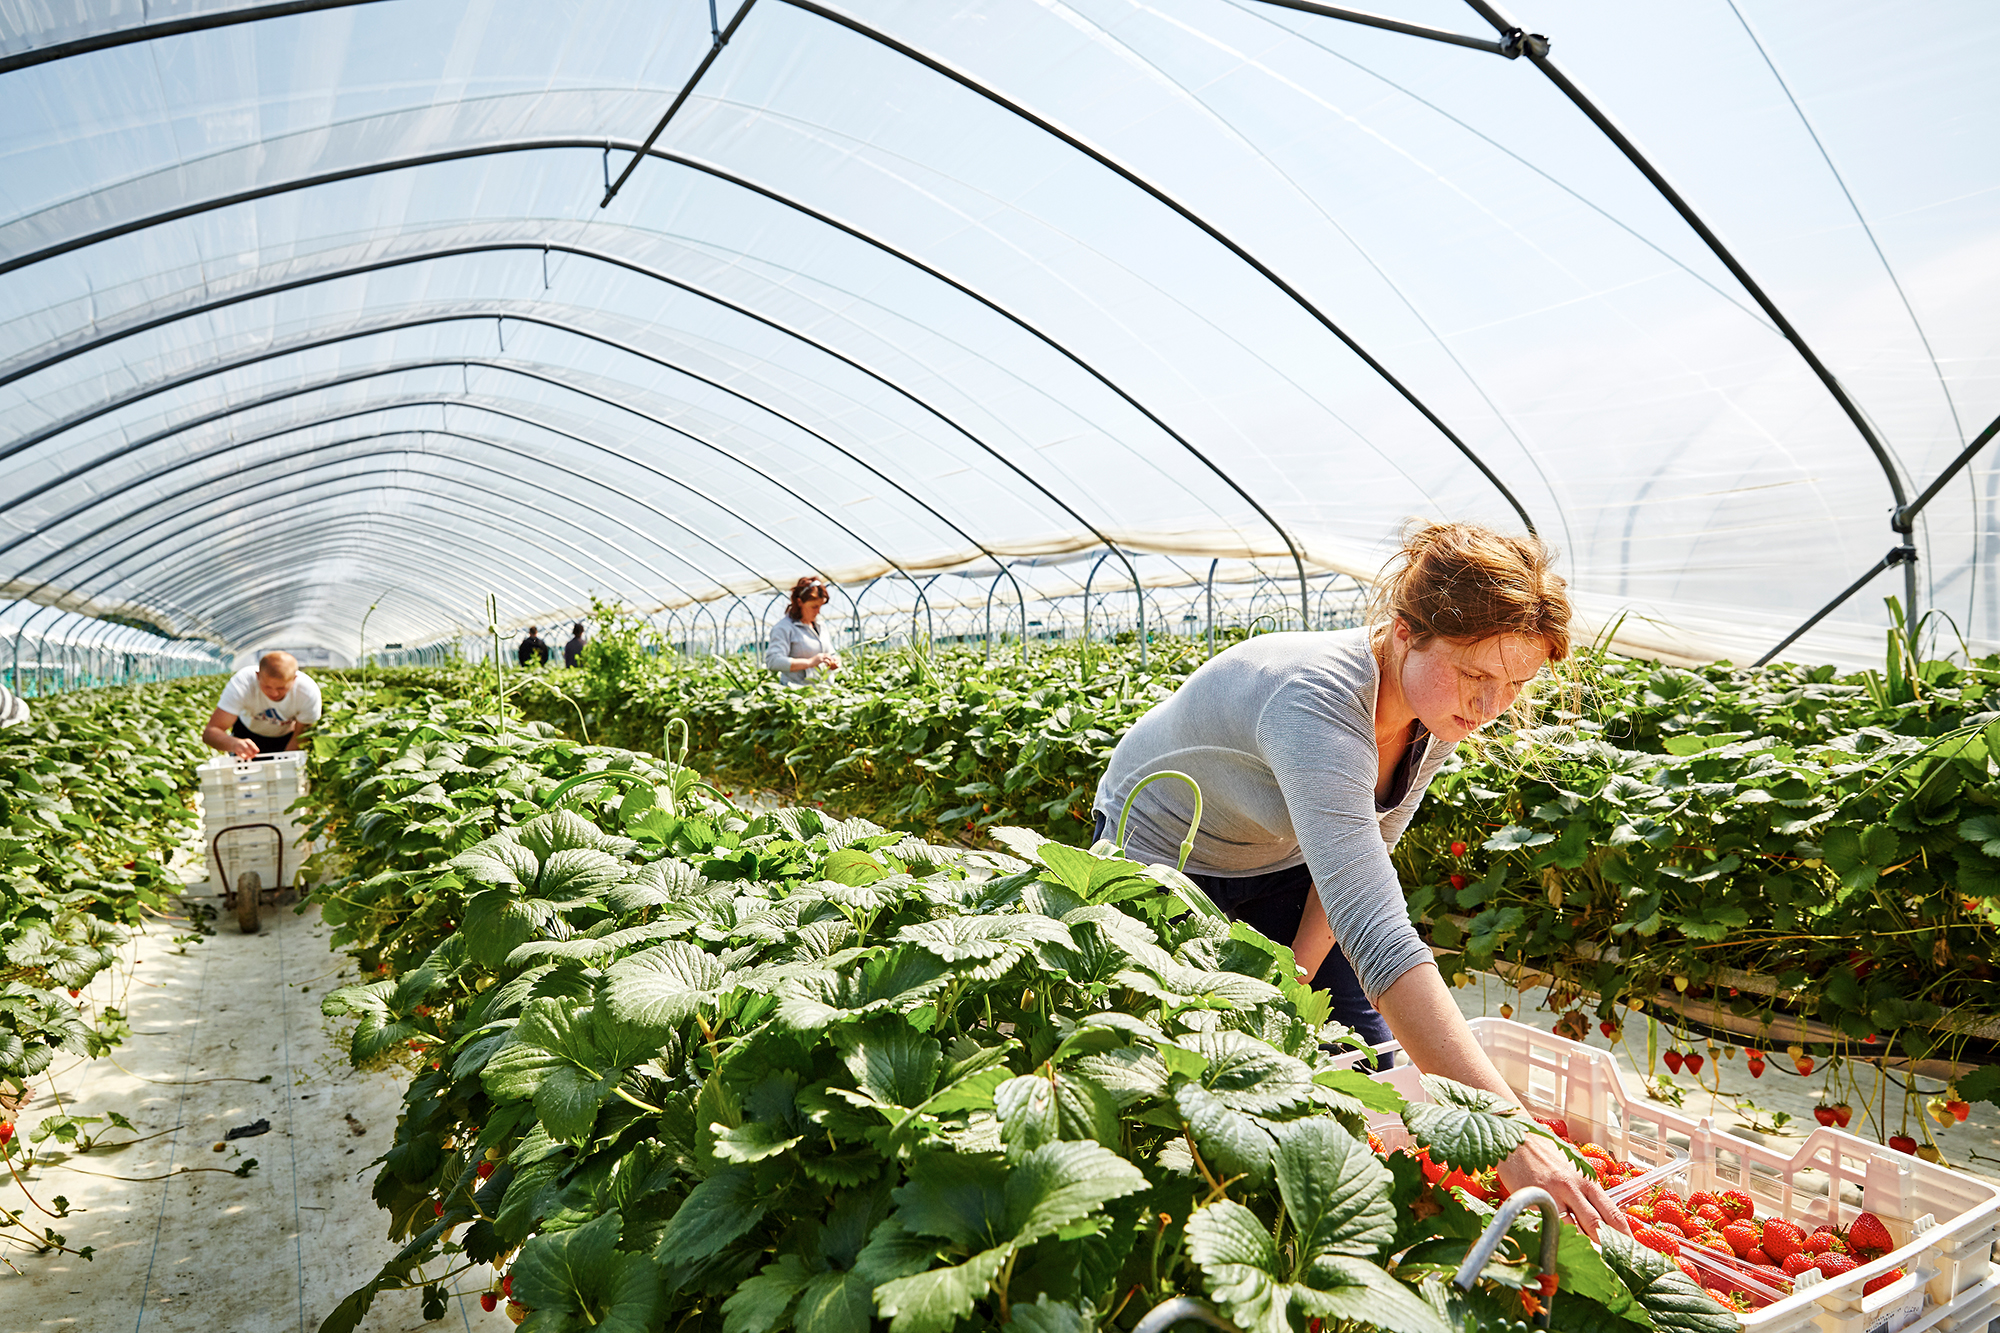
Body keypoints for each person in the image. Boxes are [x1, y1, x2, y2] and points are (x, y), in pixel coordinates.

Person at [1093, 521, 1624, 1238]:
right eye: (1476, 676)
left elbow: (1361, 863)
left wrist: (1291, 981)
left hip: (1282, 855)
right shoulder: (1314, 702)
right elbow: (1377, 933)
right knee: (1173, 1072)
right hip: (1165, 849)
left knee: (1365, 1068)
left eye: (1516, 684)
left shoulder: (1435, 712)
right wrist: (1510, 1135)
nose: (1491, 706)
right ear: (1405, 632)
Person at [203, 651, 322, 757]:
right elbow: (211, 732)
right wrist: (234, 744)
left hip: (286, 738)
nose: (274, 693)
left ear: (294, 679)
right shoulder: (243, 683)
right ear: (258, 676)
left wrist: (285, 760)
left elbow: (300, 737)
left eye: (281, 688)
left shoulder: (307, 692)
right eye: (267, 686)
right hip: (246, 734)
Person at [766, 577, 841, 686]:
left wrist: (835, 660)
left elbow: (831, 652)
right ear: (799, 602)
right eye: (814, 607)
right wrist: (809, 662)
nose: (818, 611)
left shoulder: (821, 626)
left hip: (824, 690)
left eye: (821, 606)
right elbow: (773, 661)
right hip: (798, 692)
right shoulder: (784, 628)